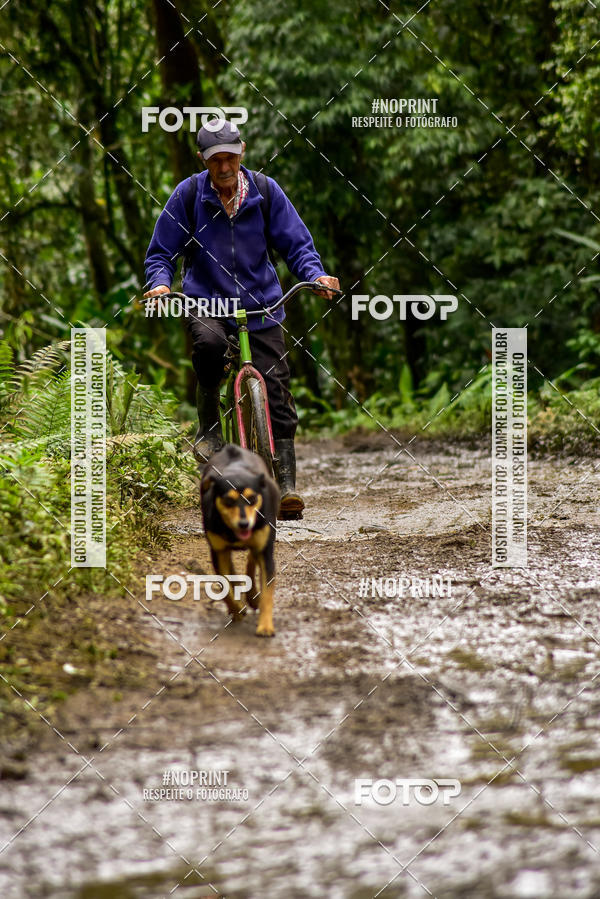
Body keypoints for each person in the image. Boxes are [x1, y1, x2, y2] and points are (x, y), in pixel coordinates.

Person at [143, 119, 339, 520]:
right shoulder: (188, 196)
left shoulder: (266, 192)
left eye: (230, 157)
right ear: (204, 160)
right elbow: (160, 252)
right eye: (216, 160)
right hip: (207, 301)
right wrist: (160, 285)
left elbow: (297, 245)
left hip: (261, 303)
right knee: (210, 346)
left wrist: (315, 276)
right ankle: (209, 428)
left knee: (279, 392)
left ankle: (286, 487)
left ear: (242, 152)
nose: (224, 166)